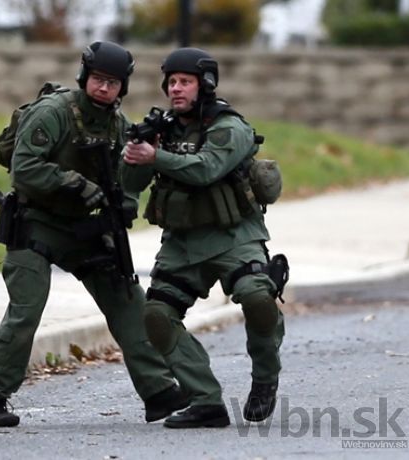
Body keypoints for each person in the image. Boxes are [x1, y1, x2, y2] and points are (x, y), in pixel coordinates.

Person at [0, 41, 188, 428]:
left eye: (113, 83)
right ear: (85, 77)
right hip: (34, 223)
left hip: (83, 229)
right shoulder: (54, 112)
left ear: (124, 88)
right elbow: (24, 169)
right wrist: (74, 183)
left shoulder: (119, 126)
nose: (104, 89)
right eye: (99, 80)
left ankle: (158, 392)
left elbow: (125, 177)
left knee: (127, 299)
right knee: (26, 310)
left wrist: (126, 198)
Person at [121, 48, 286, 428]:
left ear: (205, 84)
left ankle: (265, 376)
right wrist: (133, 156)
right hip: (182, 241)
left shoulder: (229, 126)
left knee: (258, 297)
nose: (175, 89)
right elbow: (130, 184)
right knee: (158, 317)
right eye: (171, 83)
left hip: (234, 235)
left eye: (185, 82)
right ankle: (205, 400)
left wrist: (156, 157)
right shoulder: (162, 129)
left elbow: (206, 169)